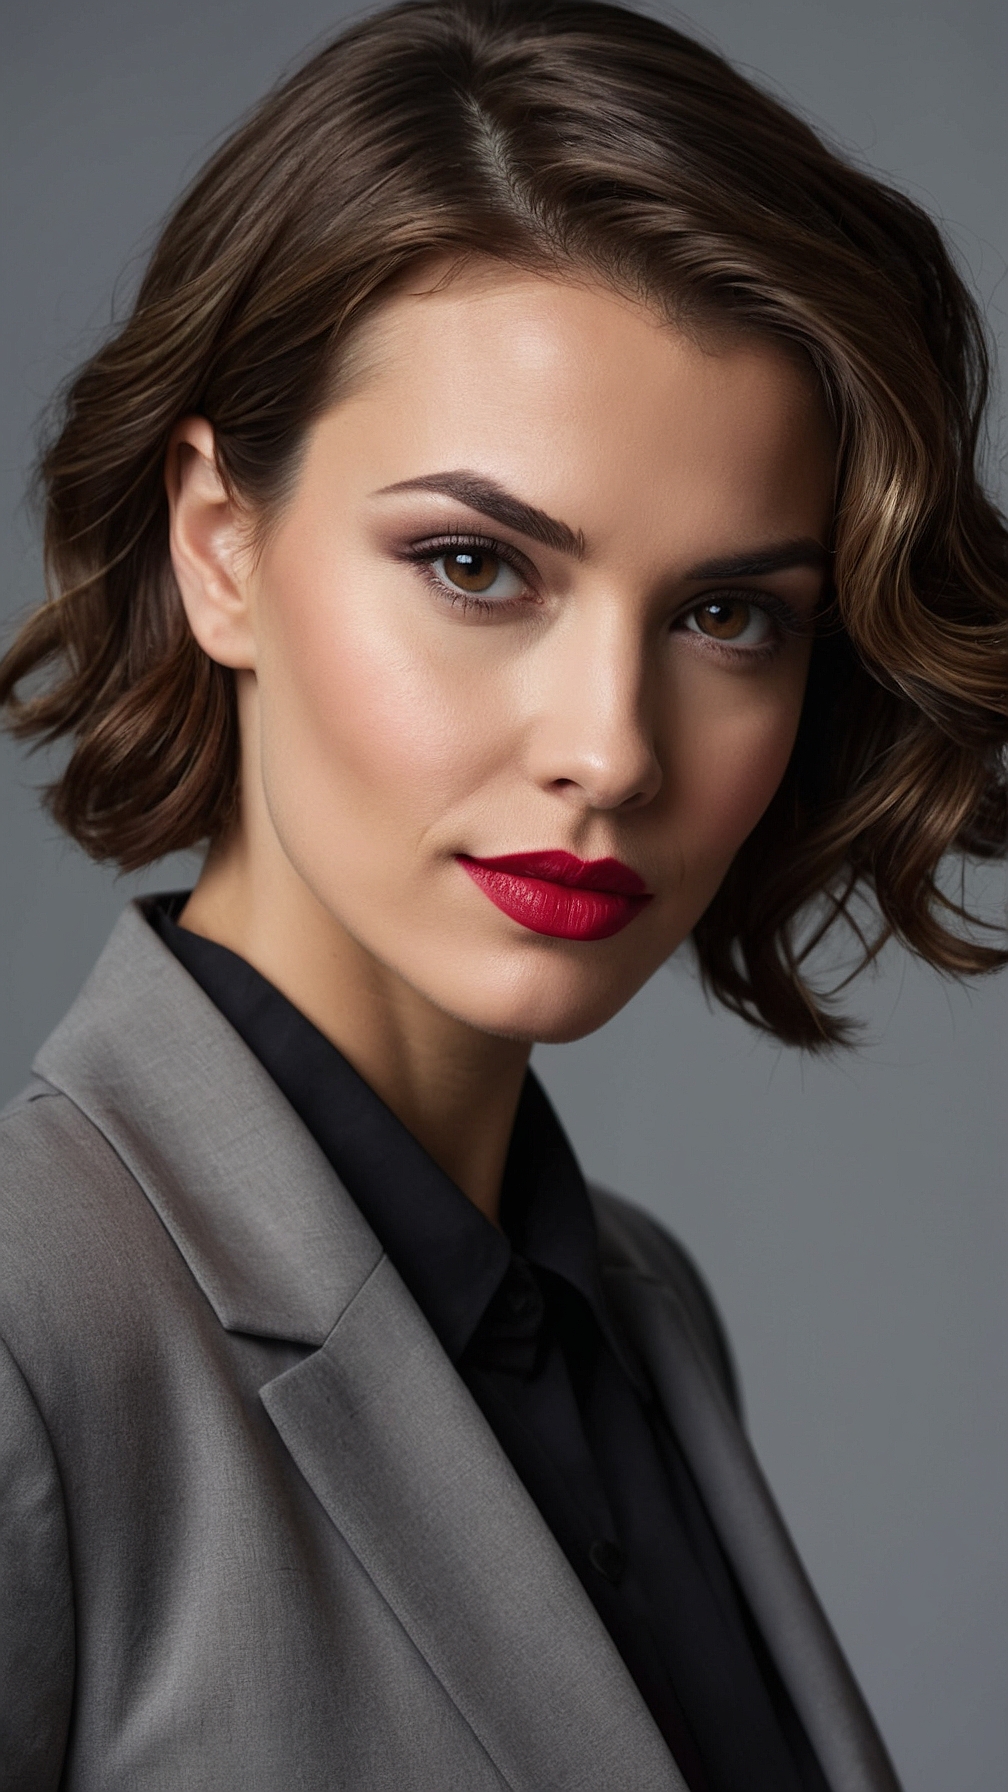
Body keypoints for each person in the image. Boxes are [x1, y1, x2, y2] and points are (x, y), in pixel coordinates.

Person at [1, 2, 1005, 1787]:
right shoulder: (30, 1341)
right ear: (220, 544)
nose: (610, 748)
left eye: (727, 615)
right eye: (476, 565)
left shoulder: (640, 1307)